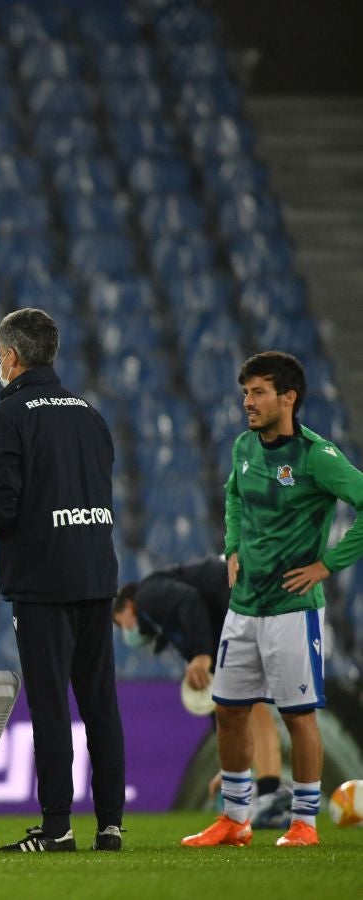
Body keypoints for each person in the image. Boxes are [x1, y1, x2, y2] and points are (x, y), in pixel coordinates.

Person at [0, 308, 125, 853]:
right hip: (97, 572)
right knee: (101, 704)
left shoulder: (9, 416)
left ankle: (57, 828)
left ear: (10, 357)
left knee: (50, 708)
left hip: (44, 579)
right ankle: (111, 827)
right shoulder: (89, 414)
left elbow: (4, 503)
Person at [182, 351, 363, 849]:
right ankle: (234, 819)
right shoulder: (244, 446)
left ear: (289, 397)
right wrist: (233, 545)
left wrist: (329, 564)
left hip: (291, 609)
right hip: (244, 606)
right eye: (245, 393)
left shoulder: (316, 457)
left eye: (258, 392)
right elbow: (234, 495)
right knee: (229, 708)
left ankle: (304, 822)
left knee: (297, 714)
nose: (248, 402)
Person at [113, 556, 289, 829]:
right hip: (242, 604)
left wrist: (203, 655)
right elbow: (215, 700)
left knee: (251, 706)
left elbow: (189, 600)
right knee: (248, 705)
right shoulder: (174, 628)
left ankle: (268, 792)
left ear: (129, 605)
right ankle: (266, 791)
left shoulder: (148, 595)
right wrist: (227, 763)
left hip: (237, 598)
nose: (127, 632)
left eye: (121, 623)